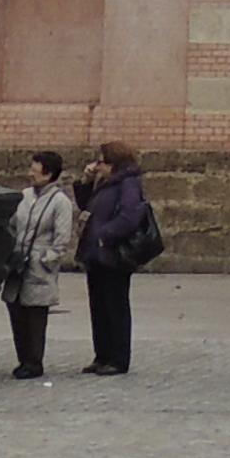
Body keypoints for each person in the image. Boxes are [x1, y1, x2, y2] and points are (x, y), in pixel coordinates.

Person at [76, 137, 154, 375]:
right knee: (98, 306)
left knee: (115, 306)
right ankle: (102, 355)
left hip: (113, 254)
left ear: (114, 163)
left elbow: (130, 216)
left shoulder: (128, 184)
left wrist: (105, 235)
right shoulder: (106, 183)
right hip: (96, 256)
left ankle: (118, 358)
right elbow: (85, 205)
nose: (96, 166)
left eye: (100, 162)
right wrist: (85, 182)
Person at [6, 149, 76, 381]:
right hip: (18, 265)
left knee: (35, 316)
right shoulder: (24, 196)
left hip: (38, 268)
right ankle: (22, 358)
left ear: (48, 175)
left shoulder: (60, 202)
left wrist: (44, 259)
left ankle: (34, 361)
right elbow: (13, 225)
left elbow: (62, 240)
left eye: (35, 171)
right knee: (16, 312)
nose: (30, 174)